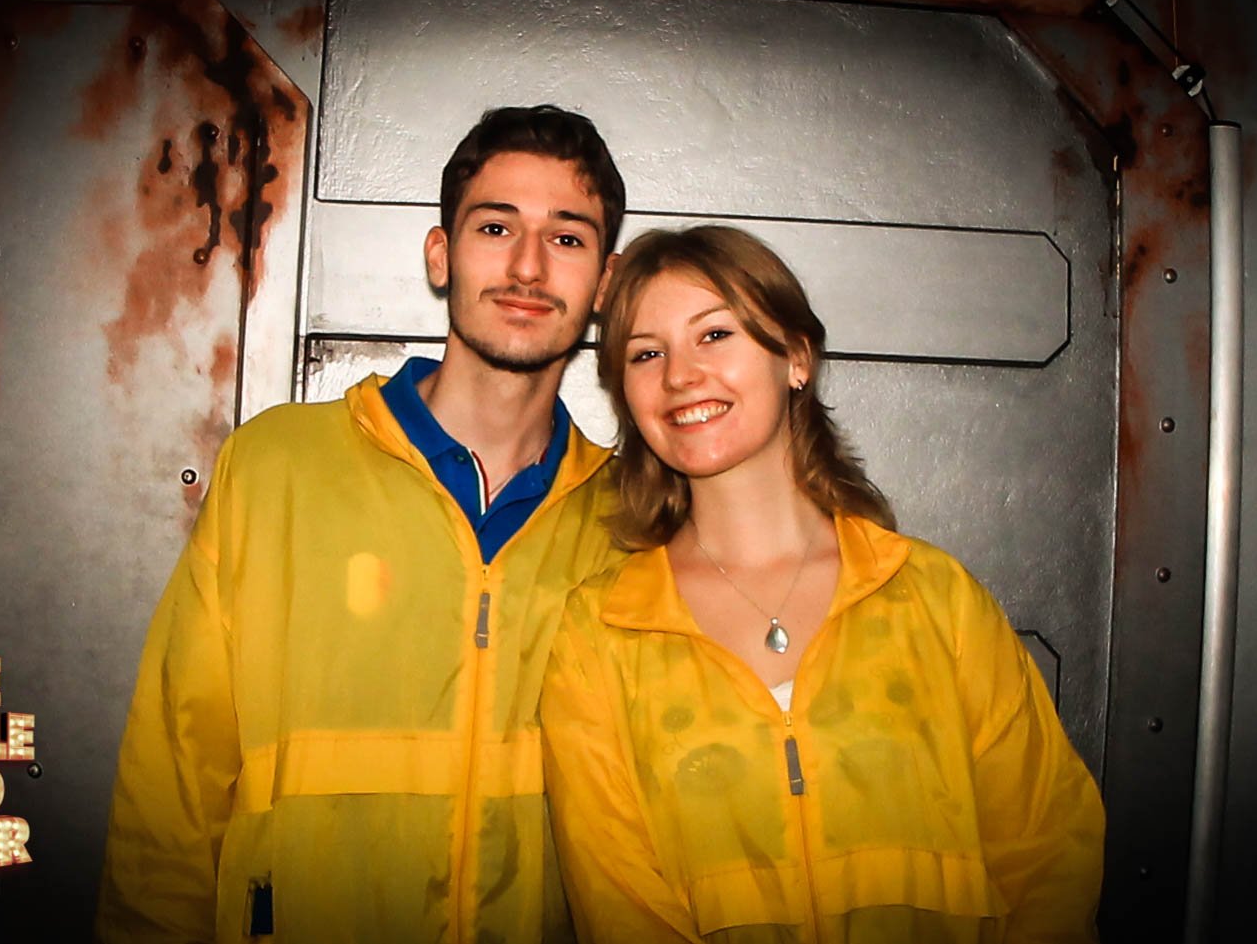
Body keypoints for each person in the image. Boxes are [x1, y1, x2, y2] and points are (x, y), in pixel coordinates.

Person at [96, 105, 627, 944]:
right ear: (440, 254)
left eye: (567, 237)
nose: (528, 265)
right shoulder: (275, 467)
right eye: (495, 227)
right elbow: (173, 787)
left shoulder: (630, 521)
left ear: (605, 282)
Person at [541, 225, 1105, 943]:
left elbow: (1050, 856)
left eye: (714, 335)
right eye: (646, 353)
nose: (680, 374)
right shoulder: (600, 634)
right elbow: (621, 908)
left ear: (797, 359)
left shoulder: (934, 597)